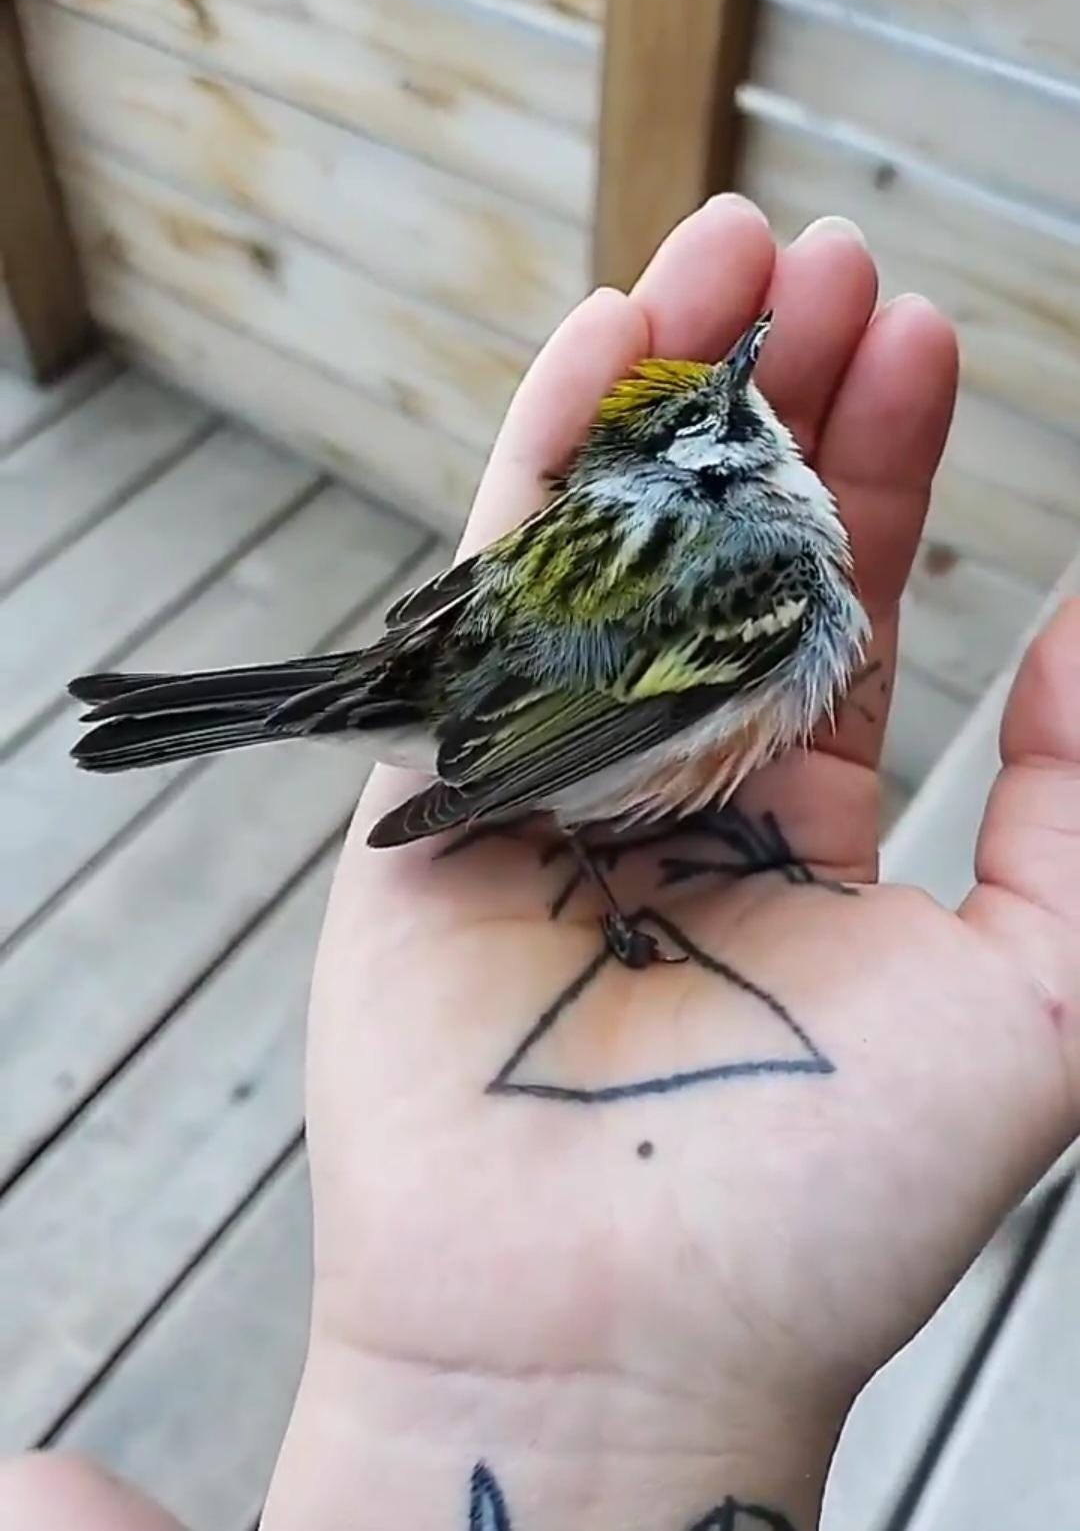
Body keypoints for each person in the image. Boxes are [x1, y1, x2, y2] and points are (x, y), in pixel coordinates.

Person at [3, 198, 1078, 1531]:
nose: (758, 414)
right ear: (718, 474)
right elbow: (623, 707)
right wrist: (487, 780)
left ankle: (233, 706)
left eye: (743, 407)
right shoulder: (770, 569)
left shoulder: (645, 518)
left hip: (479, 658)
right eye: (736, 423)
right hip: (531, 731)